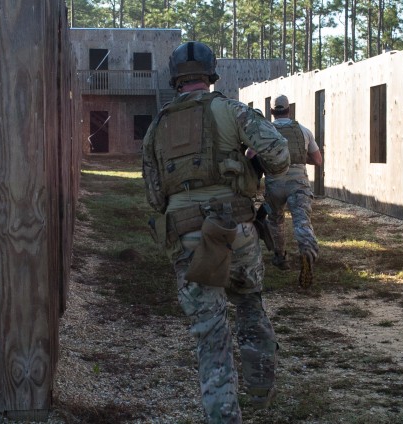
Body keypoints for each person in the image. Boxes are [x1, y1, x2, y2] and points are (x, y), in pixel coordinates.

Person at [142, 41, 290, 423]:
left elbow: (155, 196)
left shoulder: (156, 127)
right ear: (211, 74)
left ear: (174, 78)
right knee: (249, 304)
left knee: (210, 332)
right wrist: (247, 162)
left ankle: (224, 415)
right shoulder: (231, 110)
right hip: (236, 230)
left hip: (189, 236)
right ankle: (259, 390)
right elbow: (278, 156)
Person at [265, 94, 323, 288]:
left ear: (272, 112)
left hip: (274, 181)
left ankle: (280, 256)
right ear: (289, 110)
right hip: (298, 181)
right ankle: (307, 251)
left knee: (276, 219)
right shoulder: (303, 130)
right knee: (301, 220)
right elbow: (317, 160)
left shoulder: (266, 130)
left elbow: (250, 154)